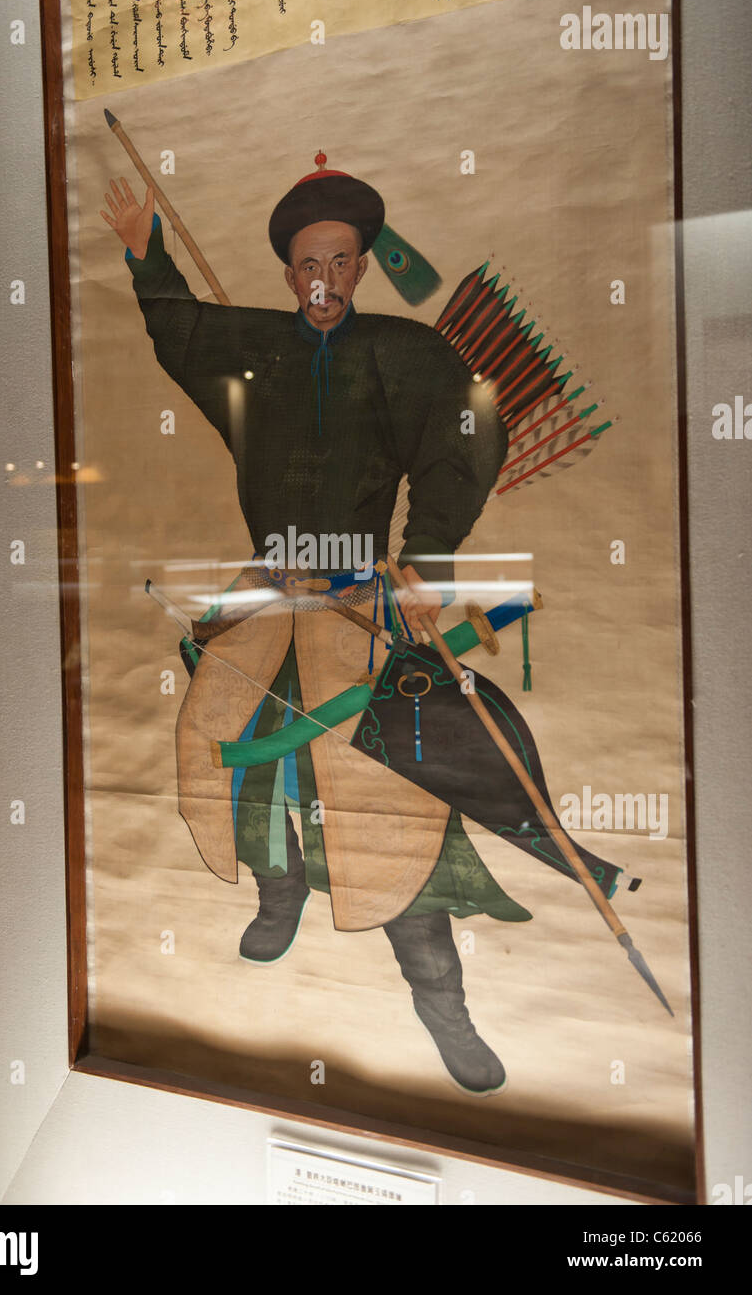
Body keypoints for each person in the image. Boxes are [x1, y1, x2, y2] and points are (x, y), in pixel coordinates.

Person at [101, 156, 524, 1095]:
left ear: (361, 265)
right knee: (225, 738)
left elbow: (469, 430)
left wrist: (431, 556)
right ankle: (277, 890)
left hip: (361, 595)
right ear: (288, 275)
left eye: (339, 260)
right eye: (305, 264)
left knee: (391, 782)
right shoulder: (256, 345)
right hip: (270, 589)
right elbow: (180, 332)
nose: (322, 279)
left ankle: (438, 993)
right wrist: (147, 258)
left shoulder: (407, 353)